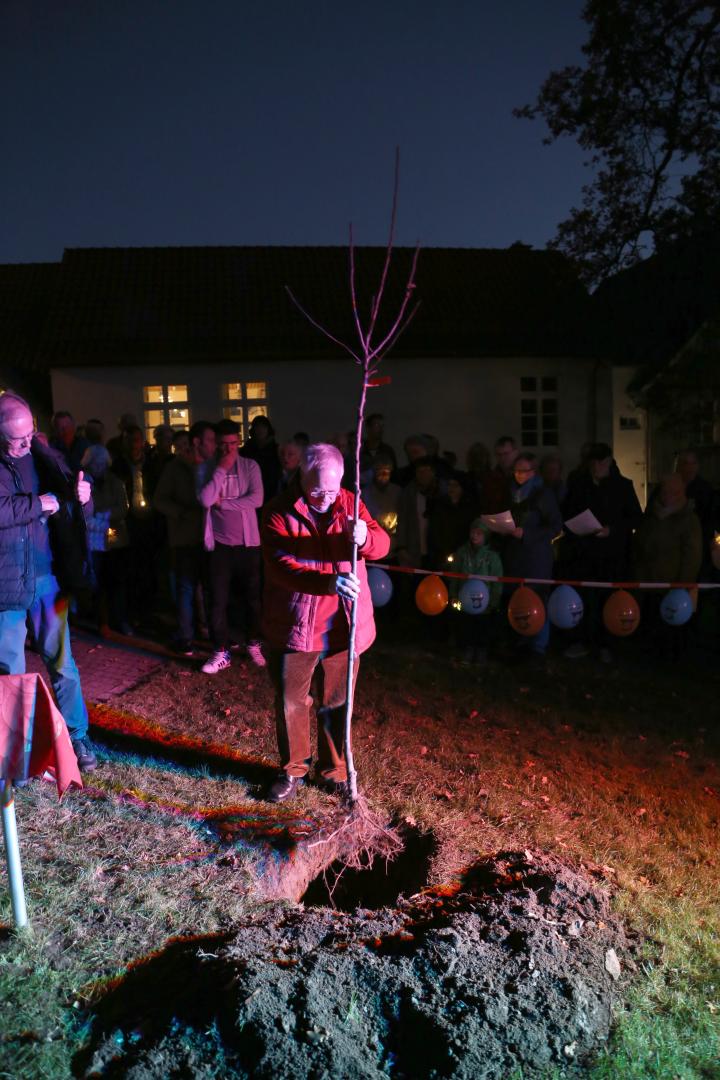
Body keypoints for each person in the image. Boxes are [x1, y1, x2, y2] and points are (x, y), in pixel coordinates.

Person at [261, 442, 390, 802]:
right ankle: (293, 768)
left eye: (331, 490)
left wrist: (365, 538)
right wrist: (327, 582)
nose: (324, 498)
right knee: (292, 700)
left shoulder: (350, 502)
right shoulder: (277, 512)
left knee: (336, 700)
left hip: (343, 626)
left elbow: (382, 544)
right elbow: (281, 565)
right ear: (300, 477)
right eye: (316, 489)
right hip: (296, 625)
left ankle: (335, 771)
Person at [0, 392, 97, 772]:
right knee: (11, 671)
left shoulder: (43, 454)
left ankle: (78, 735)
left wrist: (83, 498)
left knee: (63, 664)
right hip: (6, 586)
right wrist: (38, 504)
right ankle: (16, 751)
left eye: (30, 434)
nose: (26, 444)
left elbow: (71, 502)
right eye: (16, 440)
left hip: (47, 581)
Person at [561, 442, 642, 661]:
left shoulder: (623, 486)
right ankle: (582, 641)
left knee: (608, 599)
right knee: (585, 598)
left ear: (608, 462)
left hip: (611, 555)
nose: (596, 466)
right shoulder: (579, 484)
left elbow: (635, 517)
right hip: (583, 553)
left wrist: (612, 530)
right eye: (593, 463)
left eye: (600, 462)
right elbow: (566, 512)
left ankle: (606, 644)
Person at [197, 418, 265, 672]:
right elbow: (205, 499)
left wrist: (224, 504)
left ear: (239, 442)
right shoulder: (207, 469)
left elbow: (257, 499)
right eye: (224, 445)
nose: (229, 450)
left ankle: (253, 642)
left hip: (248, 545)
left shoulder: (250, 467)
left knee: (252, 599)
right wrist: (222, 469)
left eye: (233, 444)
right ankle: (220, 651)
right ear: (216, 446)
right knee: (217, 600)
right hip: (219, 545)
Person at [502, 452, 561, 659]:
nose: (518, 475)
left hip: (536, 556)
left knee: (537, 597)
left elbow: (555, 526)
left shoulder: (543, 495)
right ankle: (522, 639)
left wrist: (527, 533)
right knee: (518, 596)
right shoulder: (511, 493)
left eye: (523, 471)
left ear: (533, 472)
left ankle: (538, 645)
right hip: (515, 555)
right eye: (516, 471)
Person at [154, 427, 205, 655]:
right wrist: (181, 513)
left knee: (205, 587)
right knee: (185, 587)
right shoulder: (172, 470)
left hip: (206, 535)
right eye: (180, 446)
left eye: (188, 444)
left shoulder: (204, 466)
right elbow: (159, 500)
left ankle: (207, 629)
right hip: (184, 536)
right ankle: (186, 635)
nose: (185, 449)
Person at [81, 444, 131, 634]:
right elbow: (85, 514)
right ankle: (102, 621)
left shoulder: (115, 482)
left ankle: (120, 619)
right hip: (94, 542)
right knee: (98, 583)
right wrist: (105, 519)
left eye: (102, 463)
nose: (99, 467)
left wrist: (102, 516)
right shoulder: (84, 483)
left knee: (118, 582)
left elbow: (123, 509)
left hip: (115, 541)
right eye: (95, 463)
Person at [450, 519, 503, 664]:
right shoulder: (462, 553)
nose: (474, 535)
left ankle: (481, 651)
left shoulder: (492, 557)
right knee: (466, 625)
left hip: (484, 604)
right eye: (473, 532)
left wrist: (493, 601)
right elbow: (455, 575)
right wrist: (454, 595)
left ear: (485, 536)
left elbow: (497, 581)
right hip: (464, 601)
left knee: (483, 627)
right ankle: (468, 650)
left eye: (479, 533)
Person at [241, 415, 281, 506]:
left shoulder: (276, 449)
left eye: (263, 427)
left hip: (271, 491)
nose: (260, 430)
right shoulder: (247, 449)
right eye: (257, 427)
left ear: (268, 429)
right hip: (250, 490)